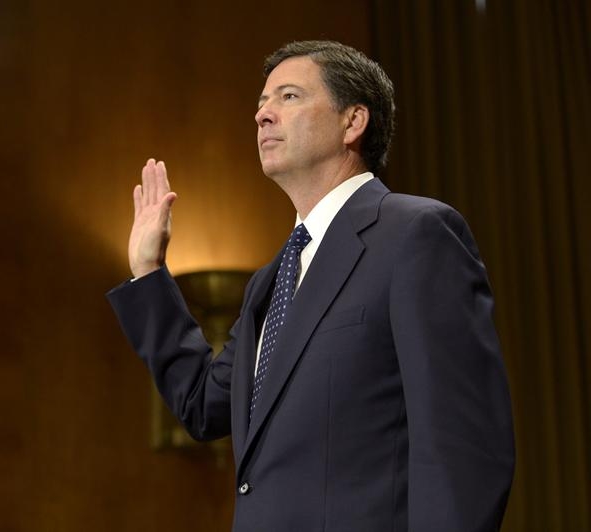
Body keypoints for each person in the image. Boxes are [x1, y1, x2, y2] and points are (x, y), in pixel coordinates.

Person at [107, 40, 514, 532]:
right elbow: (202, 404)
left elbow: (463, 444)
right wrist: (149, 271)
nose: (262, 115)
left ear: (353, 121)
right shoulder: (271, 280)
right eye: (261, 102)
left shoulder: (415, 234)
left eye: (289, 97)